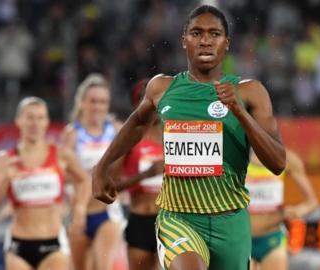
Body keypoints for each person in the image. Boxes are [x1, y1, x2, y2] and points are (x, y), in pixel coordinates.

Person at [92, 5, 286, 270]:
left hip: (230, 221)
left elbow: (277, 163)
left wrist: (239, 112)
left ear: (226, 43)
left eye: (214, 33)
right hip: (178, 218)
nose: (205, 40)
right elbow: (137, 122)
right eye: (196, 33)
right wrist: (102, 166)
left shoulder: (251, 92)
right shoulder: (162, 88)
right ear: (184, 40)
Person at [0, 96, 91, 270]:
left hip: (53, 244)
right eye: (30, 117)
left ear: (46, 122)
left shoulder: (61, 154)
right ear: (19, 121)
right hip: (18, 245)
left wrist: (80, 208)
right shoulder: (5, 159)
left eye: (40, 117)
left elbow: (85, 180)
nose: (35, 123)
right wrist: (4, 180)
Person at [61, 73, 124, 270]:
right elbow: (63, 175)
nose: (98, 106)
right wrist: (86, 175)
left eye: (103, 102)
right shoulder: (72, 134)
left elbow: (126, 167)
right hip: (79, 211)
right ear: (82, 102)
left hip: (107, 212)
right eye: (93, 101)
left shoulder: (116, 130)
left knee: (102, 266)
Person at [117, 79, 164, 270]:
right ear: (137, 104)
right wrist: (145, 175)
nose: (153, 104)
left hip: (169, 220)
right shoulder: (130, 137)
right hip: (140, 219)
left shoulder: (174, 132)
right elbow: (111, 184)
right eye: (146, 99)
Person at [246, 149, 318, 270]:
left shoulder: (286, 158)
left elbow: (312, 202)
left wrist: (297, 211)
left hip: (272, 239)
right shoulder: (235, 158)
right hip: (243, 238)